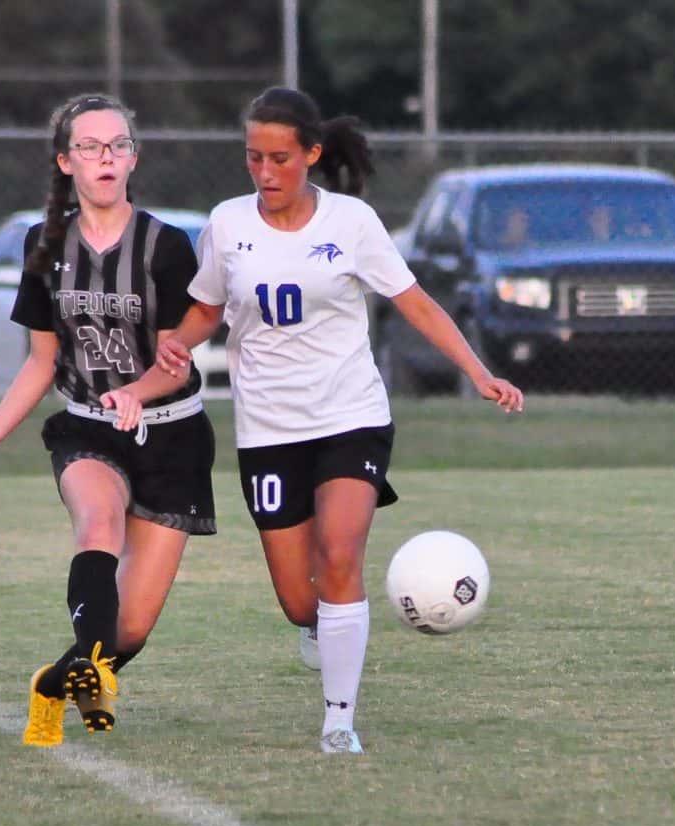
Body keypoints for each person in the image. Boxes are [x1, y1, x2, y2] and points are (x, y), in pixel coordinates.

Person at [156, 87, 524, 754]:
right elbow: (208, 307)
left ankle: (339, 721)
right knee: (302, 601)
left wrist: (479, 372)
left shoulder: (351, 222)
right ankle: (317, 626)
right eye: (253, 157)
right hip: (268, 429)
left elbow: (415, 302)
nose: (265, 172)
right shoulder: (227, 223)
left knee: (340, 555)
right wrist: (176, 343)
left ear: (311, 154)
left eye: (279, 159)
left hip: (350, 414)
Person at [0, 93, 216, 748]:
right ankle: (91, 672)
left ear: (133, 158)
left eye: (118, 145)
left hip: (172, 434)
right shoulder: (45, 244)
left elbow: (175, 362)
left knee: (131, 629)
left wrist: (137, 392)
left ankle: (56, 682)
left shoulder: (166, 246)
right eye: (89, 147)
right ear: (66, 161)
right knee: (98, 523)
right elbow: (41, 364)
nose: (105, 157)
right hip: (90, 427)